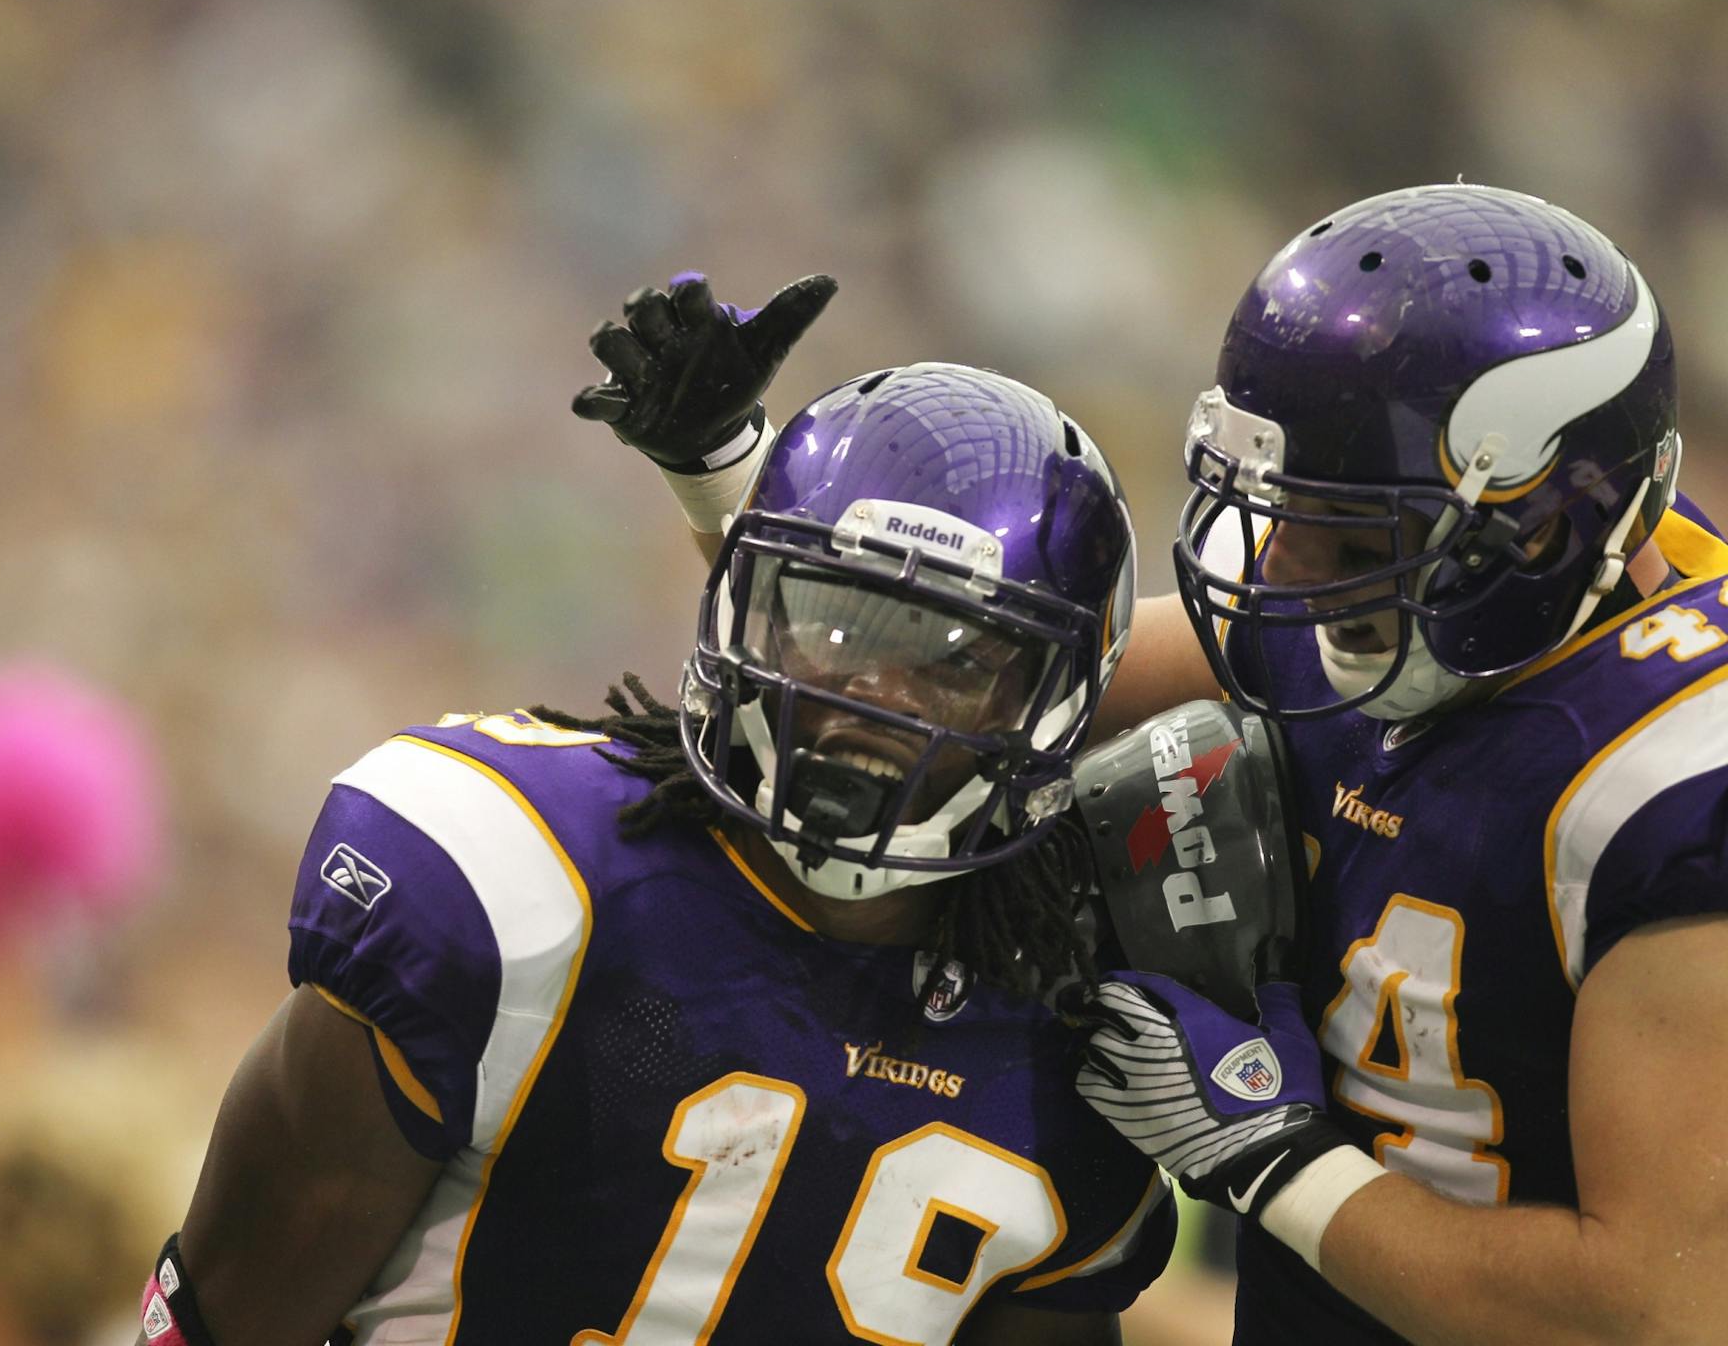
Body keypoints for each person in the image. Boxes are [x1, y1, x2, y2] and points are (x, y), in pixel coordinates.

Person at [599, 184, 1728, 1346]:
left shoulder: (1677, 772)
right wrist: (728, 478)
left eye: (1343, 531)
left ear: (1532, 532)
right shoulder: (1399, 601)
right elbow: (981, 696)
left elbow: (1658, 1314)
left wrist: (1274, 1157)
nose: (1280, 569)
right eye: (1278, 504)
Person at [139, 357, 1198, 1345]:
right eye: (838, 624)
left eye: (956, 664)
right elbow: (227, 1318)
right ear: (743, 607)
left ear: (1058, 705)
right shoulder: (511, 878)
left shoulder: (1073, 1039)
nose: (877, 695)